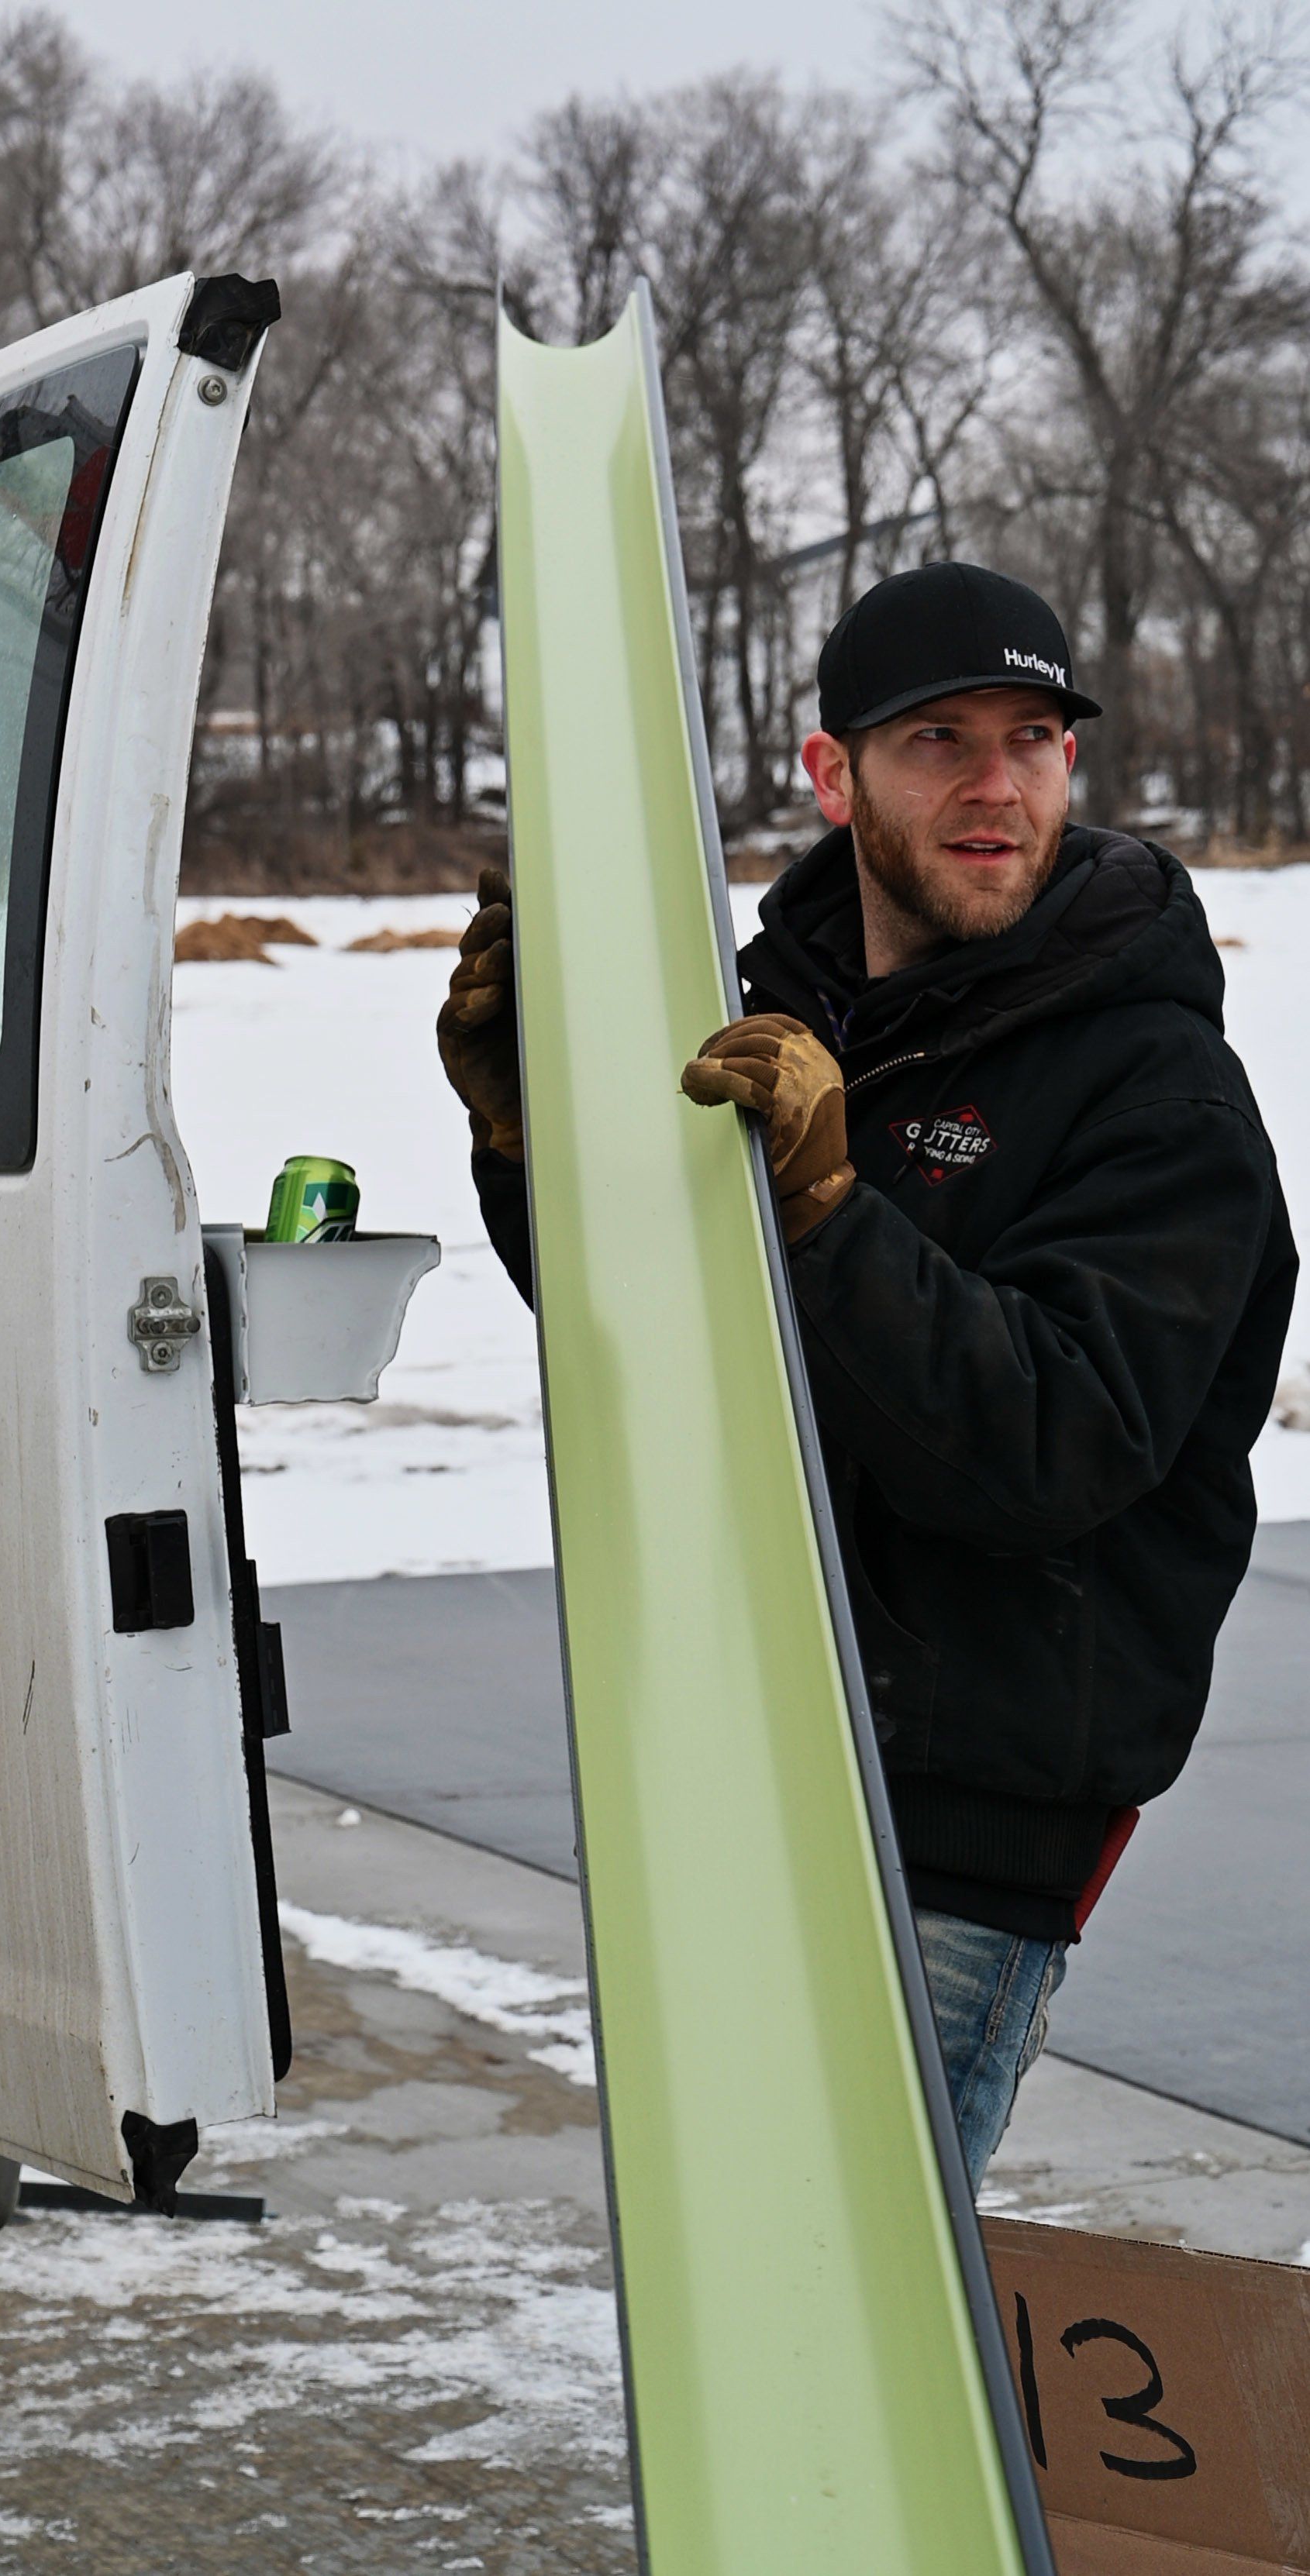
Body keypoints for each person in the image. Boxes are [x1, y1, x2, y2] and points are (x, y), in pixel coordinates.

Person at [437, 560, 1296, 2191]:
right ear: (834, 775)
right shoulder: (787, 1016)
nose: (995, 786)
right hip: (741, 1751)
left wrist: (829, 1211)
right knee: (723, 2251)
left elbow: (1051, 1443)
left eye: (1032, 739)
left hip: (959, 1842)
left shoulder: (1159, 1090)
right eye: (939, 740)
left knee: (842, 2268)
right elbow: (669, 1337)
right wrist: (529, 1141)